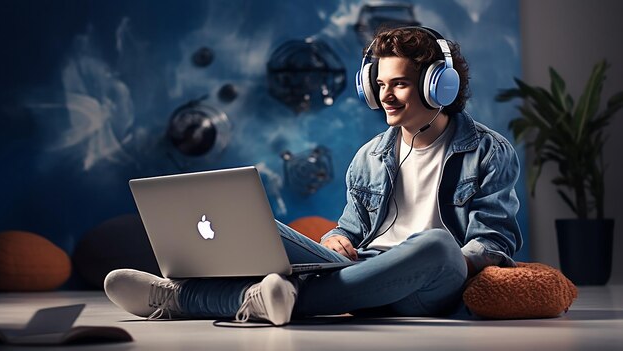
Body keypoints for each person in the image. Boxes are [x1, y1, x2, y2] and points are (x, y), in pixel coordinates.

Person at [104, 26, 522, 326]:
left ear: (440, 86)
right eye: (379, 85)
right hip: (366, 274)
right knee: (261, 228)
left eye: (400, 84)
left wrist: (416, 258)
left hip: (435, 278)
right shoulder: (370, 156)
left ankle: (183, 298)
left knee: (436, 244)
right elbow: (351, 230)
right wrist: (334, 240)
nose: (385, 96)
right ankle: (259, 300)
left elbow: (493, 242)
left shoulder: (487, 150)